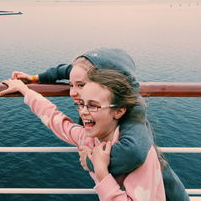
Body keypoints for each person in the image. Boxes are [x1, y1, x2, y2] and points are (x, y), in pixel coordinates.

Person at [10, 48, 189, 200]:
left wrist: (96, 166)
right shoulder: (87, 137)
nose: (83, 111)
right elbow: (55, 119)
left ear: (119, 109)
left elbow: (132, 155)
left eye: (93, 105)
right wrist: (28, 87)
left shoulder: (137, 146)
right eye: (80, 105)